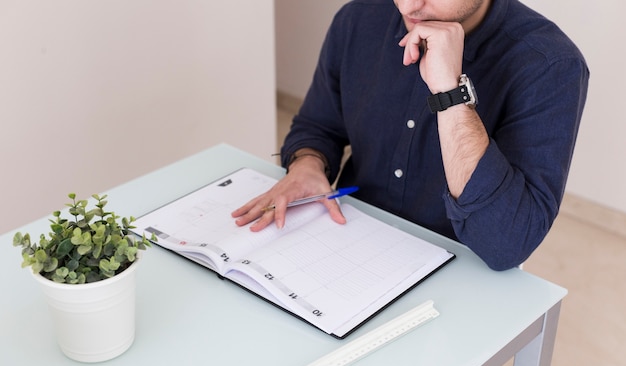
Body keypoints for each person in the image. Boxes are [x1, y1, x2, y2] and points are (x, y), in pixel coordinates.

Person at [232, 0, 589, 271]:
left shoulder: (550, 64)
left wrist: (450, 94)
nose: (409, 6)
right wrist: (308, 165)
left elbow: (505, 244)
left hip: (460, 273)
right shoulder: (357, 19)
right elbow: (318, 125)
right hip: (344, 249)